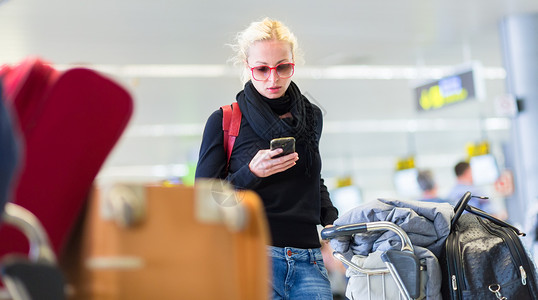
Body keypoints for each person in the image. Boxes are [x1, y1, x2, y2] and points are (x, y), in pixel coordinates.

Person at [195, 18, 338, 299]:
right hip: (251, 255)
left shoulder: (311, 117)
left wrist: (332, 222)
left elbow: (311, 179)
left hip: (309, 259)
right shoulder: (225, 120)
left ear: (293, 62)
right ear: (247, 67)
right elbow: (203, 198)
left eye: (282, 67)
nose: (273, 79)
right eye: (261, 69)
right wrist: (251, 172)